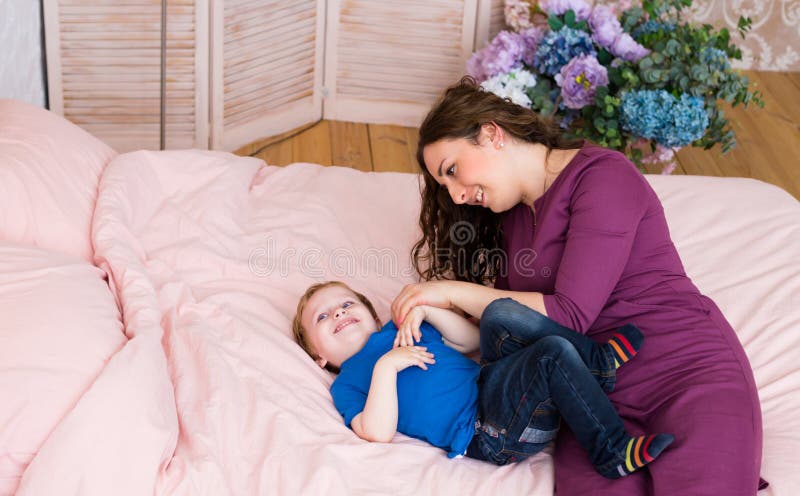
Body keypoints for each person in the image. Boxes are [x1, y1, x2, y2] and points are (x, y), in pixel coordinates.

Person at [390, 76, 764, 495]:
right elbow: (514, 328)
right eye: (445, 187)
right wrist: (429, 311)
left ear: (492, 134)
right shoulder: (512, 221)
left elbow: (569, 313)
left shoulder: (603, 175)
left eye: (453, 171)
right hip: (593, 407)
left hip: (682, 372)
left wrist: (450, 290)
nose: (456, 197)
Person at [292, 280, 674, 479]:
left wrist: (426, 311)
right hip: (490, 431)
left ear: (372, 315)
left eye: (345, 304)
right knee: (551, 353)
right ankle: (610, 450)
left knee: (499, 313)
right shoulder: (348, 383)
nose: (338, 314)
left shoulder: (398, 328)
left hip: (497, 384)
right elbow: (376, 431)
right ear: (319, 356)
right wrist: (386, 367)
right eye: (322, 318)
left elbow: (471, 341)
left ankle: (597, 363)